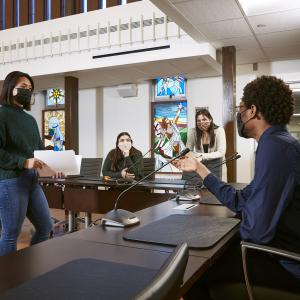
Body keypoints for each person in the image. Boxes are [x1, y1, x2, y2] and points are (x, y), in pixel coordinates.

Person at [177, 75, 300, 298]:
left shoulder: (275, 147)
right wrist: (200, 169)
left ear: (253, 110)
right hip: (282, 252)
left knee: (194, 268)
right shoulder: (279, 142)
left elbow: (256, 231)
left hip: (286, 263)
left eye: (241, 108)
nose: (239, 114)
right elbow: (241, 201)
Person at [0, 71, 53, 256]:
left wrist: (56, 165)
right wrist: (23, 162)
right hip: (11, 181)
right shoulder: (1, 114)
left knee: (46, 227)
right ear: (10, 88)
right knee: (10, 234)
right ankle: (7, 280)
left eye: (30, 89)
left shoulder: (30, 120)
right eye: (23, 87)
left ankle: (27, 269)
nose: (27, 91)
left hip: (32, 180)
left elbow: (38, 150)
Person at [186, 109, 226, 180]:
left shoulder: (219, 130)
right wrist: (196, 156)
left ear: (210, 119)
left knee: (215, 189)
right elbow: (187, 151)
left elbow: (221, 152)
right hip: (200, 166)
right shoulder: (193, 132)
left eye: (204, 119)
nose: (201, 122)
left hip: (216, 166)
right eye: (198, 120)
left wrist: (201, 156)